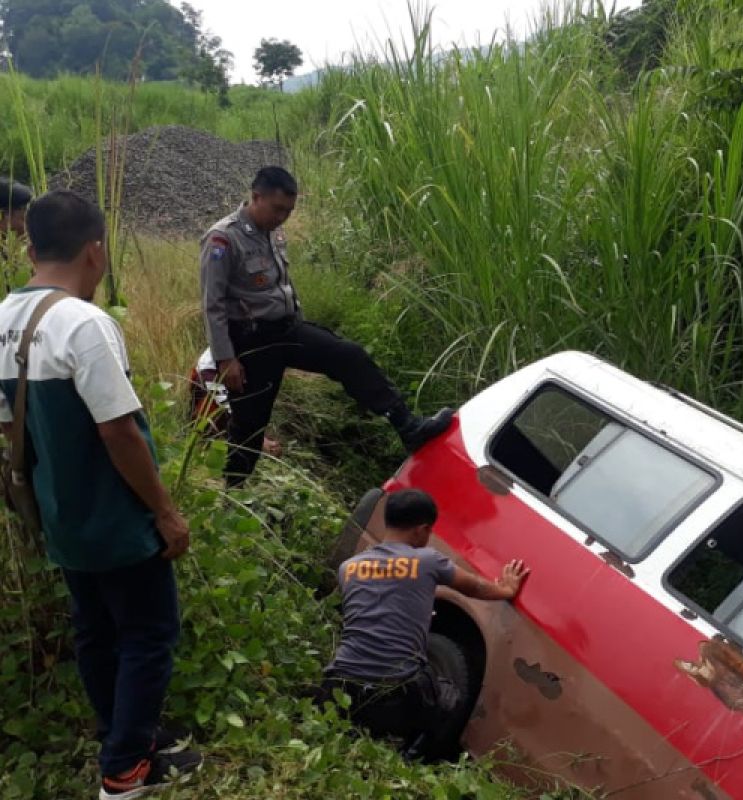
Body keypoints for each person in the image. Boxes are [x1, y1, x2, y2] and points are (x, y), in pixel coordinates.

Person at [0, 191, 201, 798]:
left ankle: (125, 733)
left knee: (95, 630)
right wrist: (165, 512)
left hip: (59, 515)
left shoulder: (4, 317)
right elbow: (118, 430)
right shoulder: (85, 323)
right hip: (114, 516)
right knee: (148, 633)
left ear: (31, 249)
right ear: (96, 251)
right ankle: (124, 770)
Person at [200, 167, 453, 486]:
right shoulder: (223, 238)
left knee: (348, 355)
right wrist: (225, 359)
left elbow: (282, 285)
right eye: (277, 209)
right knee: (250, 427)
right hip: (252, 344)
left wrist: (301, 322)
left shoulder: (274, 233)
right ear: (256, 196)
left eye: (289, 211)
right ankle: (232, 495)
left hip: (287, 330)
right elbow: (213, 304)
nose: (283, 217)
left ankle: (408, 426)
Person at [322, 489, 529, 756]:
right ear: (421, 530)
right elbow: (475, 587)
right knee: (449, 698)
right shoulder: (428, 561)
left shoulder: (348, 568)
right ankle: (412, 757)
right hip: (392, 695)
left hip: (338, 684)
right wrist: (507, 589)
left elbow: (377, 604)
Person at [187, 346, 281, 456]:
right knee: (216, 419)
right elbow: (228, 409)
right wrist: (259, 442)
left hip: (230, 373)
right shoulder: (208, 372)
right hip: (212, 381)